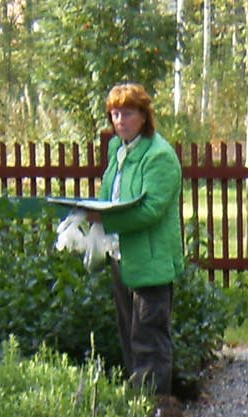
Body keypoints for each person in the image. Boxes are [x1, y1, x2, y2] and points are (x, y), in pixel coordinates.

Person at [90, 83, 184, 396]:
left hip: (151, 261)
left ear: (144, 116)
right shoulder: (119, 151)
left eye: (127, 113)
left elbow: (151, 210)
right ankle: (138, 408)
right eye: (115, 114)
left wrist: (106, 218)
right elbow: (109, 197)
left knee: (150, 340)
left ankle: (156, 414)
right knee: (130, 336)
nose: (120, 120)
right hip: (123, 256)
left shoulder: (159, 156)